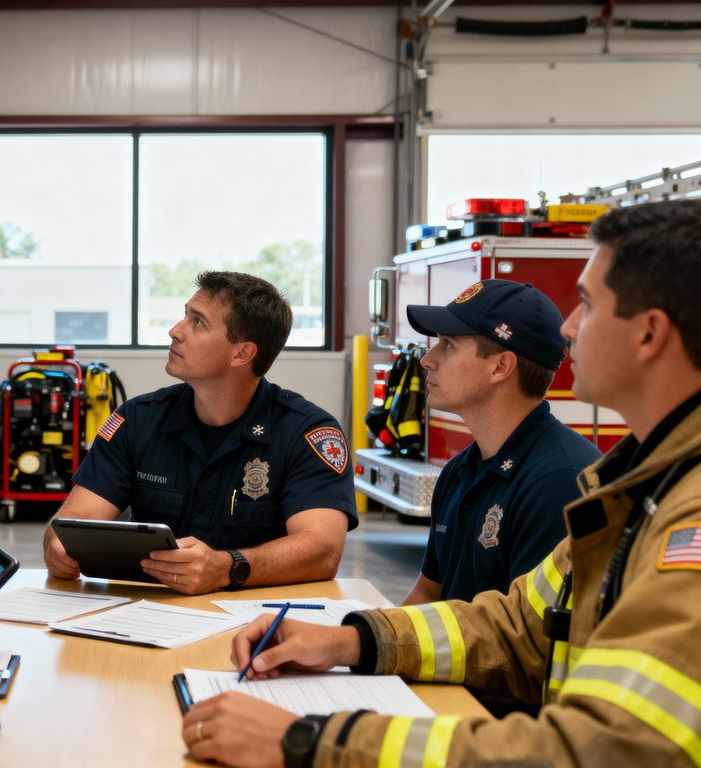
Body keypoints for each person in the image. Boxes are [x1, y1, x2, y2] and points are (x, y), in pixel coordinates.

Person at [182, 198, 701, 768]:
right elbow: (514, 626)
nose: (569, 328)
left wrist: (311, 741)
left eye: (586, 304)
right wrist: (351, 640)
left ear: (650, 334)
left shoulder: (682, 514)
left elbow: (603, 751)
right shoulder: (636, 486)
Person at [43, 272, 357, 595]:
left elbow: (322, 551)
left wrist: (227, 568)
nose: (175, 331)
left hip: (261, 627)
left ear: (242, 354)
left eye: (198, 323)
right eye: (185, 316)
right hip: (150, 619)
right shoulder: (138, 421)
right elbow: (74, 520)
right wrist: (58, 547)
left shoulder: (307, 433)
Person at [401, 280, 599, 605]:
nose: (427, 359)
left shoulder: (560, 482)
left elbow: (525, 635)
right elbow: (428, 592)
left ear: (500, 367)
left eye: (448, 344)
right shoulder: (458, 473)